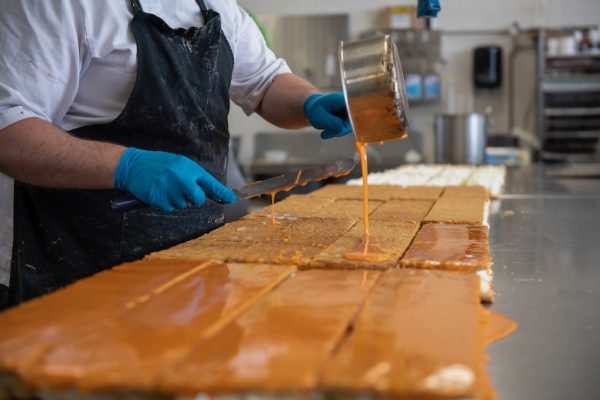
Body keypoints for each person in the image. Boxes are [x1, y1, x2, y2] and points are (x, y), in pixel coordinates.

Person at [0, 0, 352, 309]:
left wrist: (308, 101)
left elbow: (264, 82)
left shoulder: (216, 5)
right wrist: (126, 166)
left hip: (191, 263)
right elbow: (9, 129)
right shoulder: (56, 5)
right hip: (75, 262)